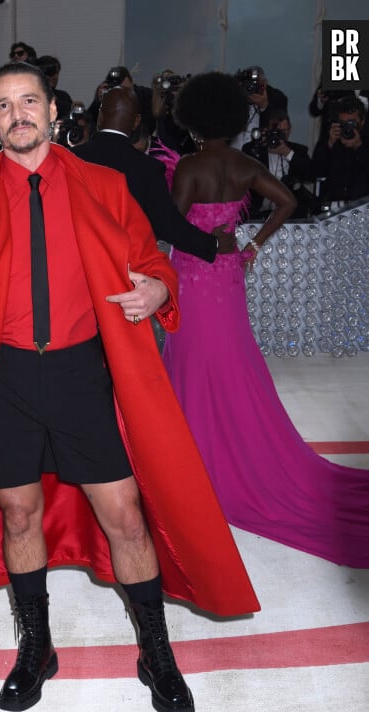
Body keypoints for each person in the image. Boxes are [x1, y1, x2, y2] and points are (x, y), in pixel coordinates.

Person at [0, 62, 259, 712]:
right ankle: (36, 648)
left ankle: (156, 654)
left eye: (29, 101)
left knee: (126, 515)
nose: (18, 114)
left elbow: (154, 260)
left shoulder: (104, 184)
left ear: (52, 113)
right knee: (18, 514)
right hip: (4, 379)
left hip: (84, 374)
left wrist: (159, 288)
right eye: (3, 106)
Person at [160, 71, 369, 568]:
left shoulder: (190, 165)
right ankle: (229, 453)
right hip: (229, 277)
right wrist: (249, 245)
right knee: (231, 361)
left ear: (192, 118)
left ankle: (194, 462)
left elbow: (170, 225)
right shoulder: (245, 164)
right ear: (232, 119)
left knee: (190, 363)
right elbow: (289, 201)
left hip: (192, 275)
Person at [73, 85, 235, 262]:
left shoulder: (69, 159)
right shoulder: (147, 168)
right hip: (124, 270)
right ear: (136, 122)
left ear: (100, 116)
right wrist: (214, 244)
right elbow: (169, 225)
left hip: (75, 265)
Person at [242, 109, 319, 219]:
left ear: (290, 129)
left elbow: (311, 175)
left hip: (291, 213)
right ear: (266, 130)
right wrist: (259, 144)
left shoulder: (298, 150)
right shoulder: (252, 149)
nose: (280, 135)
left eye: (284, 131)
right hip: (258, 211)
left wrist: (287, 153)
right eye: (276, 132)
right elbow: (245, 176)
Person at [312, 96, 369, 204]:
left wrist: (358, 146)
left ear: (362, 122)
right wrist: (329, 143)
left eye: (352, 123)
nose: (348, 127)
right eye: (343, 123)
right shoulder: (331, 139)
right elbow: (315, 171)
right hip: (334, 203)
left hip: (363, 204)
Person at [230, 65, 288, 150]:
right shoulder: (233, 94)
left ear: (264, 83)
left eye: (256, 84)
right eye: (248, 84)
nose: (251, 88)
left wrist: (264, 106)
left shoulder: (277, 98)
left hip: (260, 154)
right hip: (232, 152)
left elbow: (277, 130)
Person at [36, 55, 73, 119]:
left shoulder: (63, 96)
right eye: (50, 72)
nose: (55, 77)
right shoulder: (32, 96)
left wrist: (54, 99)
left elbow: (70, 113)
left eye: (57, 73)